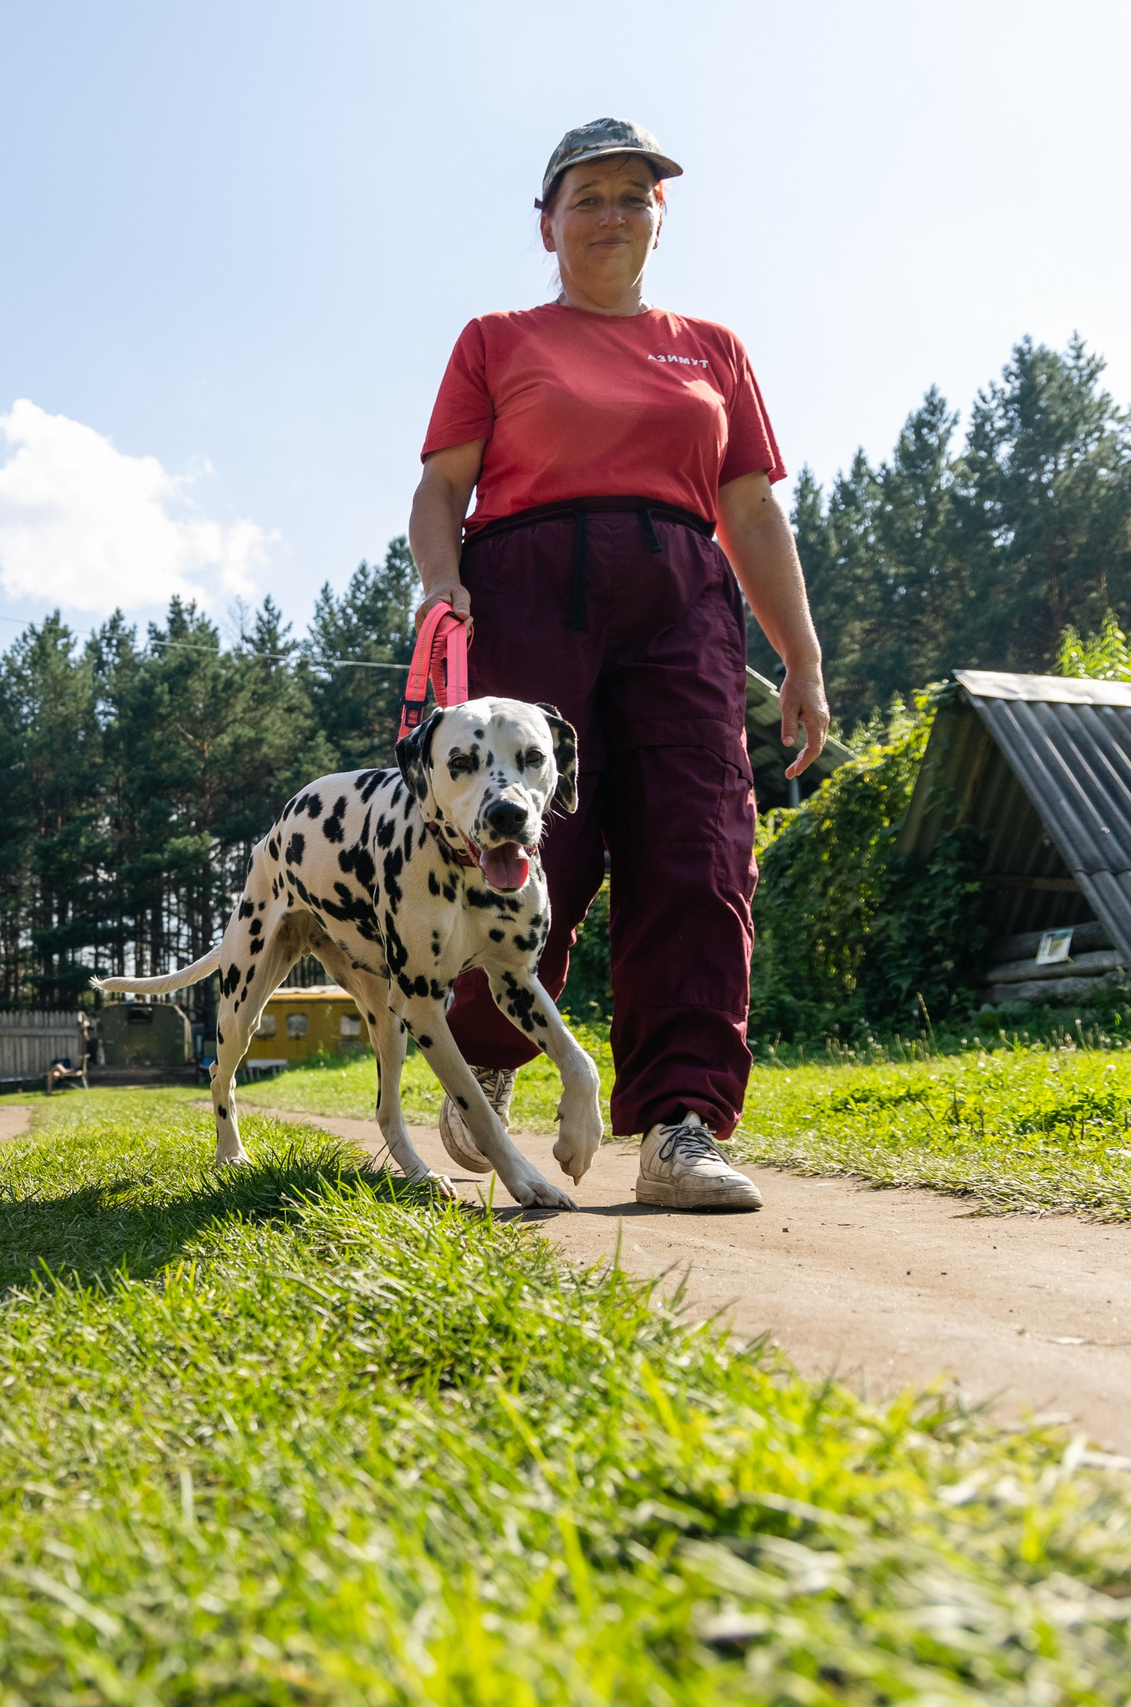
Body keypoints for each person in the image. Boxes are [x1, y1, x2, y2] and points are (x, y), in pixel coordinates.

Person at [407, 118, 831, 1212]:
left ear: (660, 217)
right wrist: (442, 583)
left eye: (633, 195)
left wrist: (801, 659)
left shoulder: (713, 349)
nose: (611, 214)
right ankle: (487, 1062)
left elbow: (748, 509)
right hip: (530, 584)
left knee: (696, 845)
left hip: (681, 600)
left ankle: (680, 1124)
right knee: (540, 837)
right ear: (546, 222)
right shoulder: (497, 338)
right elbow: (440, 488)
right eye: (588, 195)